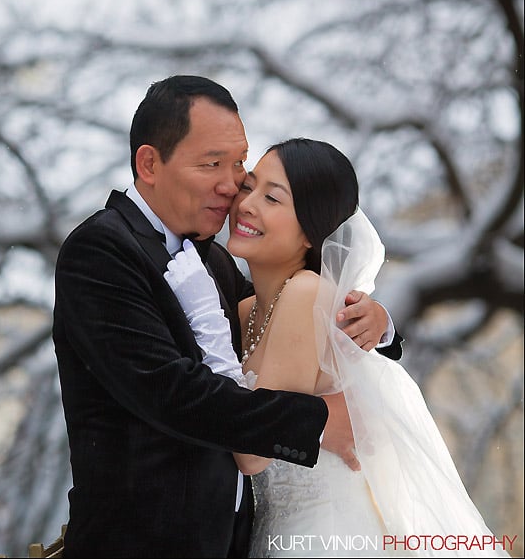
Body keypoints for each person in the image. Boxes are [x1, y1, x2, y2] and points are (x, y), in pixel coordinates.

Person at [52, 75, 402, 558]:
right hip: (143, 543)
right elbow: (173, 393)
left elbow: (285, 314)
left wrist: (379, 325)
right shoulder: (100, 251)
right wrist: (317, 423)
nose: (232, 183)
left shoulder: (212, 259)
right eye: (212, 163)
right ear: (149, 163)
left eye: (239, 162)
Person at [165, 138, 507, 557]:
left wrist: (205, 320)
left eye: (272, 197)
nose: (247, 204)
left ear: (310, 230)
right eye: (249, 186)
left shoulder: (306, 293)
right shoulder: (247, 309)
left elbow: (252, 454)